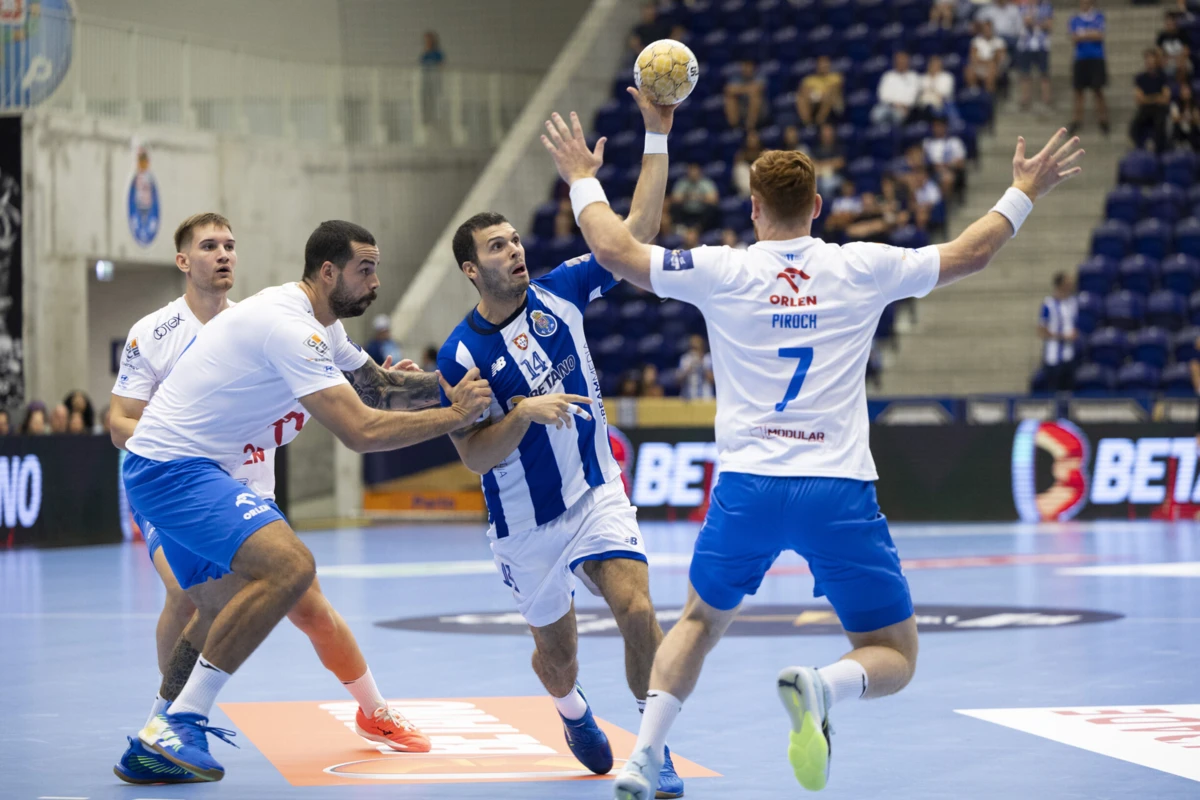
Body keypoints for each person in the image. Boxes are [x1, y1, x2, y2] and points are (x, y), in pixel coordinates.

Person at [538, 107, 1083, 800]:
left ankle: (644, 758)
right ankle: (823, 688)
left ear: (755, 208)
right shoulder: (863, 265)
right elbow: (972, 252)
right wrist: (1023, 191)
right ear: (818, 207)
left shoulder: (721, 270)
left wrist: (584, 178)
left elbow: (614, 251)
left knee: (699, 623)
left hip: (750, 488)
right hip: (838, 489)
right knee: (894, 651)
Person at [125, 218, 492, 782]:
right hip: (174, 470)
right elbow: (362, 430)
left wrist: (467, 384)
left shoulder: (320, 323)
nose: (375, 282)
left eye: (376, 269)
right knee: (292, 567)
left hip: (196, 470)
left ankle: (156, 734)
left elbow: (378, 385)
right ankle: (185, 721)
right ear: (327, 272)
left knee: (222, 602)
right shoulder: (290, 328)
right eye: (363, 270)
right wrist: (457, 415)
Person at [439, 91, 684, 798]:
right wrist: (522, 412)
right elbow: (476, 457)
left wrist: (656, 134)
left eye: (515, 240)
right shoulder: (460, 354)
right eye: (496, 247)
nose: (513, 250)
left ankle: (653, 747)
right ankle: (571, 711)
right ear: (470, 270)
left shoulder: (564, 290)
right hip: (525, 526)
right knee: (558, 657)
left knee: (638, 608)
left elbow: (637, 230)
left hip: (595, 492)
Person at [1069, 0, 1110, 137]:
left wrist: (1083, 34)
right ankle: (1077, 120)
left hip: (1096, 58)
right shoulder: (1075, 18)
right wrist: (1090, 34)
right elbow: (1074, 38)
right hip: (1080, 58)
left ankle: (1103, 120)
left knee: (1098, 90)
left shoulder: (1099, 16)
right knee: (1078, 91)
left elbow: (1099, 35)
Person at [1039, 272, 1079, 392]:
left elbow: (1074, 326)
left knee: (1067, 393)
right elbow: (1041, 331)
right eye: (1068, 283)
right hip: (1053, 357)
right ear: (1060, 285)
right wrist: (1063, 337)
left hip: (1069, 356)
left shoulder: (1072, 303)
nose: (1071, 285)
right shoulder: (1048, 304)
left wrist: (1074, 335)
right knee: (1053, 394)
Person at [1015, 0, 1054, 112]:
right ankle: (1025, 98)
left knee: (1044, 73)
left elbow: (1049, 24)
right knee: (1025, 73)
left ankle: (1046, 98)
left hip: (1042, 45)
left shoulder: (1046, 6)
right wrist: (1039, 22)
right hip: (1025, 45)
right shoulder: (1022, 7)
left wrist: (1034, 22)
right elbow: (1021, 23)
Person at [1131, 48, 1172, 153]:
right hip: (1145, 109)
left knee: (1160, 124)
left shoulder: (1163, 76)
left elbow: (1165, 98)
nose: (1149, 61)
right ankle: (1140, 148)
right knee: (1134, 127)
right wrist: (1156, 97)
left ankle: (1159, 150)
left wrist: (1148, 98)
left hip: (1159, 109)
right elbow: (1139, 99)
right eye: (1147, 59)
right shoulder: (1140, 77)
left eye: (1151, 58)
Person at [923, 116, 968, 202]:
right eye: (935, 126)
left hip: (949, 170)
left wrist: (946, 166)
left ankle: (944, 204)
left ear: (945, 127)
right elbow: (923, 159)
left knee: (947, 178)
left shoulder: (954, 142)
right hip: (931, 170)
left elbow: (960, 162)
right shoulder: (927, 143)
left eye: (940, 126)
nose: (938, 129)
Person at [871, 51, 921, 127]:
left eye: (903, 60)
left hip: (904, 108)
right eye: (899, 60)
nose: (901, 62)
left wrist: (902, 105)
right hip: (888, 106)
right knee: (876, 114)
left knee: (897, 116)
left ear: (908, 61)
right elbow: (883, 95)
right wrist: (894, 104)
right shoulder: (888, 76)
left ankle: (895, 136)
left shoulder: (913, 77)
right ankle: (882, 134)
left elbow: (913, 96)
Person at [796, 55, 844, 128]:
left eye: (825, 64)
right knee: (800, 98)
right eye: (821, 64)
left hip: (833, 103)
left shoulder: (835, 77)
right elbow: (804, 91)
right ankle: (808, 124)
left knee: (828, 96)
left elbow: (836, 89)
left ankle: (819, 122)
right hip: (814, 101)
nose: (823, 66)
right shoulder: (809, 79)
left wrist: (823, 95)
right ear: (817, 66)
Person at [671, 162, 720, 231]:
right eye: (691, 171)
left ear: (699, 172)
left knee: (712, 208)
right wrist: (687, 197)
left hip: (701, 211)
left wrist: (699, 197)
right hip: (686, 210)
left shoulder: (706, 182)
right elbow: (675, 199)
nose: (693, 174)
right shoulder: (682, 182)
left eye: (695, 171)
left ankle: (700, 228)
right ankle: (681, 228)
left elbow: (714, 199)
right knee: (675, 207)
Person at [724, 60, 766, 130]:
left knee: (755, 97)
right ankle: (734, 126)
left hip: (760, 109)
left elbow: (758, 88)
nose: (746, 68)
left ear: (753, 67)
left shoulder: (759, 75)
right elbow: (729, 89)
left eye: (748, 66)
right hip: (741, 107)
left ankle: (750, 127)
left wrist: (739, 89)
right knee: (730, 98)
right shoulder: (736, 77)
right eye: (744, 66)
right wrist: (748, 89)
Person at [970, 19, 1008, 95]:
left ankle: (989, 96)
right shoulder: (976, 41)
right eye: (985, 29)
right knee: (969, 70)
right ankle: (973, 94)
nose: (987, 31)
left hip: (996, 68)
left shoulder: (999, 42)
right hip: (980, 67)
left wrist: (988, 61)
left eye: (989, 29)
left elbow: (1001, 58)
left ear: (992, 29)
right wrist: (989, 61)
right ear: (982, 30)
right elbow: (974, 58)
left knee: (992, 68)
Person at [917, 55, 959, 123]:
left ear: (941, 65)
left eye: (936, 64)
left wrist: (930, 91)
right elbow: (921, 94)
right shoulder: (923, 78)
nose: (934, 67)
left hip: (943, 105)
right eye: (932, 64)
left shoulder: (946, 77)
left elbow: (944, 94)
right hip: (925, 105)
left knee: (947, 105)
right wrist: (933, 92)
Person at [809, 122, 845, 198]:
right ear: (821, 135)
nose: (827, 135)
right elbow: (812, 163)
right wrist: (830, 164)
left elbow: (840, 163)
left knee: (828, 184)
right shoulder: (816, 149)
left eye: (829, 133)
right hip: (819, 176)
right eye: (825, 133)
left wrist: (822, 164)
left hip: (835, 176)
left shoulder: (838, 147)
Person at [1158, 12, 1192, 78]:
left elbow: (1186, 50)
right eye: (1168, 22)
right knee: (1159, 64)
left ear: (1175, 23)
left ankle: (1182, 85)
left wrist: (1180, 59)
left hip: (1181, 59)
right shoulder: (1162, 36)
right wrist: (1163, 59)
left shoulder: (1182, 34)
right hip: (1168, 60)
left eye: (1171, 22)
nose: (1170, 24)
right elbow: (1159, 51)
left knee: (1183, 65)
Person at [733, 130, 764, 197]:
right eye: (750, 138)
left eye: (754, 137)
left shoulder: (764, 155)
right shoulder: (740, 158)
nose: (752, 140)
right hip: (747, 195)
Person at [1170, 81, 1200, 149]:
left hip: (1192, 128)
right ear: (1180, 93)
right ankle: (1178, 146)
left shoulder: (1195, 104)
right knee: (1176, 126)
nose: (1186, 93)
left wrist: (1192, 118)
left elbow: (1197, 119)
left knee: (1195, 128)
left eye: (1187, 90)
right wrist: (1184, 117)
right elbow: (1175, 118)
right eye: (1183, 91)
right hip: (1180, 129)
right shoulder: (1175, 104)